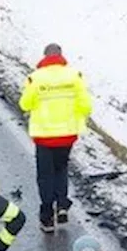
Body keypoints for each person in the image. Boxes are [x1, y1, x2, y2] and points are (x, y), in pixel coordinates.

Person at [18, 43, 93, 234]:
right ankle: (61, 204)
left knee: (45, 175)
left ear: (44, 56)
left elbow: (25, 104)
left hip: (44, 135)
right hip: (67, 135)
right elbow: (85, 107)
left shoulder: (35, 78)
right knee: (61, 169)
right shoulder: (74, 76)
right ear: (61, 56)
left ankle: (47, 216)